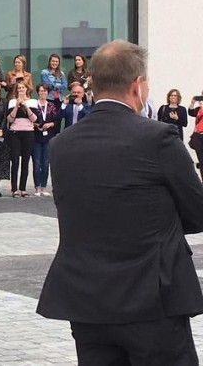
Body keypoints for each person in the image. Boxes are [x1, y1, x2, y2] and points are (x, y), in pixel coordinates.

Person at [37, 39, 203, 365]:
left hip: (87, 300)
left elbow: (76, 208)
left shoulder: (62, 145)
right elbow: (197, 213)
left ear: (94, 84)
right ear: (137, 84)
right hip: (151, 300)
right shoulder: (158, 138)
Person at [7, 81, 38, 197]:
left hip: (28, 133)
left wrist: (25, 106)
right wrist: (17, 106)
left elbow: (34, 119)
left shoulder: (33, 102)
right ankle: (14, 189)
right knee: (15, 161)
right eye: (19, 88)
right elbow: (10, 119)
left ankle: (23, 188)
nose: (21, 90)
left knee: (25, 161)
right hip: (15, 133)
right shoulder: (12, 102)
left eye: (23, 88)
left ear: (27, 89)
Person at [32, 83, 60, 197]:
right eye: (41, 90)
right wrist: (35, 124)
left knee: (46, 163)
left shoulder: (52, 105)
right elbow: (29, 118)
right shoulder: (34, 105)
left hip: (48, 136)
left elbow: (56, 121)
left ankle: (43, 187)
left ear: (48, 93)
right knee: (37, 162)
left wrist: (49, 124)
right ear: (38, 92)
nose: (43, 93)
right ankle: (37, 187)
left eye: (45, 91)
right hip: (36, 136)